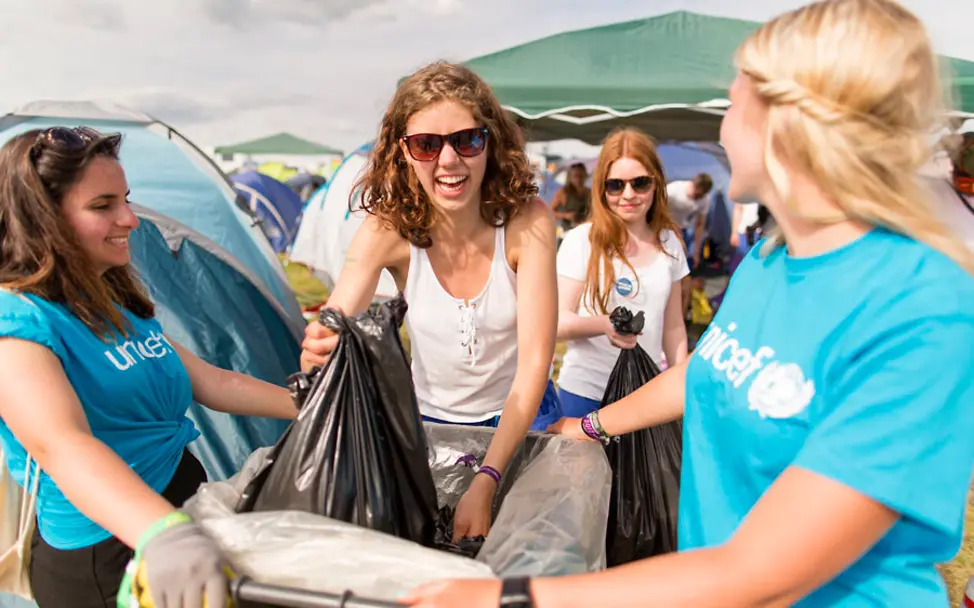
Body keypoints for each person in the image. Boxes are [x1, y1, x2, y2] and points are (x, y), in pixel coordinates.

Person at [403, 0, 974, 606]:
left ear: (788, 122)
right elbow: (709, 370)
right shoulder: (771, 261)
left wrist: (507, 597)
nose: (724, 128)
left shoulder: (922, 309)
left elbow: (764, 574)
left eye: (734, 105)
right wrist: (590, 425)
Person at [0, 127, 298, 607]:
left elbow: (211, 382)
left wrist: (317, 405)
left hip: (183, 507)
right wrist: (162, 533)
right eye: (103, 206)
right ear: (43, 219)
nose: (129, 220)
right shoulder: (16, 321)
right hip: (110, 549)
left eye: (126, 199)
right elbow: (61, 444)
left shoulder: (108, 302)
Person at [299, 61, 559, 543]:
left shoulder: (529, 222)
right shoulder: (386, 228)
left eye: (467, 140)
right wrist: (322, 343)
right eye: (426, 144)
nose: (448, 161)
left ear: (491, 142)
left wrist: (488, 478)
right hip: (432, 427)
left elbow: (534, 365)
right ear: (402, 152)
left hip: (523, 421)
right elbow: (337, 317)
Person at [554, 128, 689, 417]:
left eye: (640, 183)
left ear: (656, 183)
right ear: (601, 188)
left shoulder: (670, 242)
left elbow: (674, 326)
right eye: (615, 185)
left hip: (646, 399)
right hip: (585, 395)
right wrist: (603, 324)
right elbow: (555, 322)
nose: (628, 195)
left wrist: (678, 385)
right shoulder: (582, 240)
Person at [666, 172, 713, 269]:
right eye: (696, 194)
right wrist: (671, 226)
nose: (697, 198)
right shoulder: (673, 190)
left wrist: (696, 251)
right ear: (692, 184)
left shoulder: (705, 199)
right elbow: (655, 210)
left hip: (682, 230)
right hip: (662, 227)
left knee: (682, 265)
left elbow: (700, 224)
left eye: (700, 196)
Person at [550, 162, 590, 231]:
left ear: (585, 176)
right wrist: (566, 215)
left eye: (581, 176)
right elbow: (550, 212)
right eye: (575, 176)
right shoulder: (563, 192)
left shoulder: (589, 193)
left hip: (585, 229)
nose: (578, 179)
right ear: (570, 177)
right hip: (567, 231)